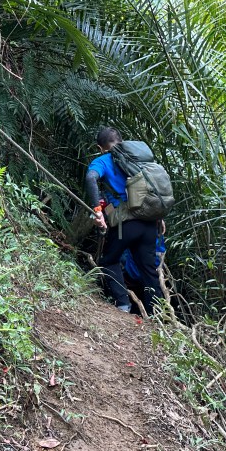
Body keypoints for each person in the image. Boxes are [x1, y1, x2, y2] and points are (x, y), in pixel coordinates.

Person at [85, 126, 165, 315]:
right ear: (121, 141)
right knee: (148, 270)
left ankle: (122, 305)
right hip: (149, 222)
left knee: (109, 260)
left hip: (125, 225)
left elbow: (91, 178)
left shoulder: (104, 160)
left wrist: (97, 211)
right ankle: (157, 315)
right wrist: (159, 216)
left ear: (100, 147)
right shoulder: (139, 158)